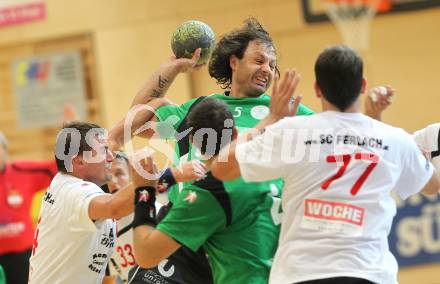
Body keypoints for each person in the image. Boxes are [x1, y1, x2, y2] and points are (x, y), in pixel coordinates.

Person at [211, 45, 440, 284]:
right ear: (362, 86)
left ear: (317, 89)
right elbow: (432, 186)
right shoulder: (395, 140)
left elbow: (221, 167)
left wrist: (272, 118)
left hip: (301, 274)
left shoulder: (293, 132)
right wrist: (413, 154)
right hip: (370, 274)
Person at [130, 94, 304, 283]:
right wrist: (272, 119)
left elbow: (146, 254)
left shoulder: (209, 192)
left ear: (192, 141)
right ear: (236, 133)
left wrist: (143, 190)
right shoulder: (274, 171)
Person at [28, 122, 139, 284]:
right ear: (79, 161)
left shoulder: (65, 181)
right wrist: (158, 177)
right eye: (104, 151)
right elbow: (114, 207)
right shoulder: (76, 192)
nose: (111, 157)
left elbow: (121, 132)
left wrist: (155, 104)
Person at [103, 151, 210, 284]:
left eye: (119, 173)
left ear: (133, 177)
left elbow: (150, 186)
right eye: (108, 175)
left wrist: (171, 174)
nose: (113, 181)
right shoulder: (105, 227)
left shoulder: (155, 210)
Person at [0, 131, 57, 284]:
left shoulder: (22, 171)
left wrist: (71, 139)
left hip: (22, 256)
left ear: (5, 150)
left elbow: (56, 168)